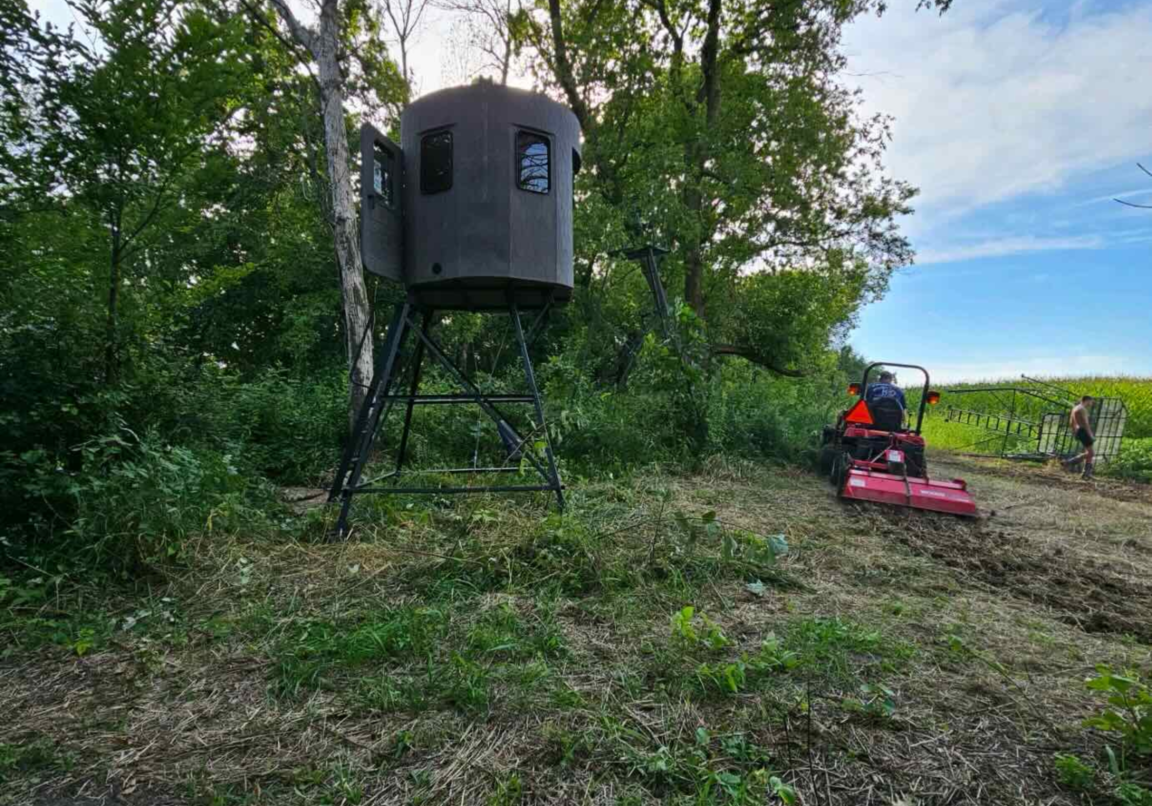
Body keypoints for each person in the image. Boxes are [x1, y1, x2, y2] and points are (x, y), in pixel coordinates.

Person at [1062, 395, 1096, 478]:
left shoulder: (1075, 408)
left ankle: (1086, 473)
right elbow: (1085, 424)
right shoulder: (1082, 409)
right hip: (1083, 431)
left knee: (1089, 452)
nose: (1091, 403)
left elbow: (1071, 422)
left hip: (1079, 431)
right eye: (1091, 401)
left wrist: (1075, 431)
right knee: (1091, 453)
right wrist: (1090, 434)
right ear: (1087, 400)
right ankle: (1068, 462)